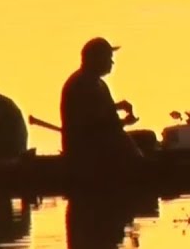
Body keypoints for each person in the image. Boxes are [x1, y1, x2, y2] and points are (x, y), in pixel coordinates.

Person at [59, 37, 142, 167]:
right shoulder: (81, 84)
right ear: (95, 59)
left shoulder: (98, 83)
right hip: (88, 150)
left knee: (145, 138)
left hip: (100, 143)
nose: (112, 62)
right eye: (108, 57)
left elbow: (103, 113)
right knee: (129, 142)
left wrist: (116, 107)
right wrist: (124, 122)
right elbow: (94, 125)